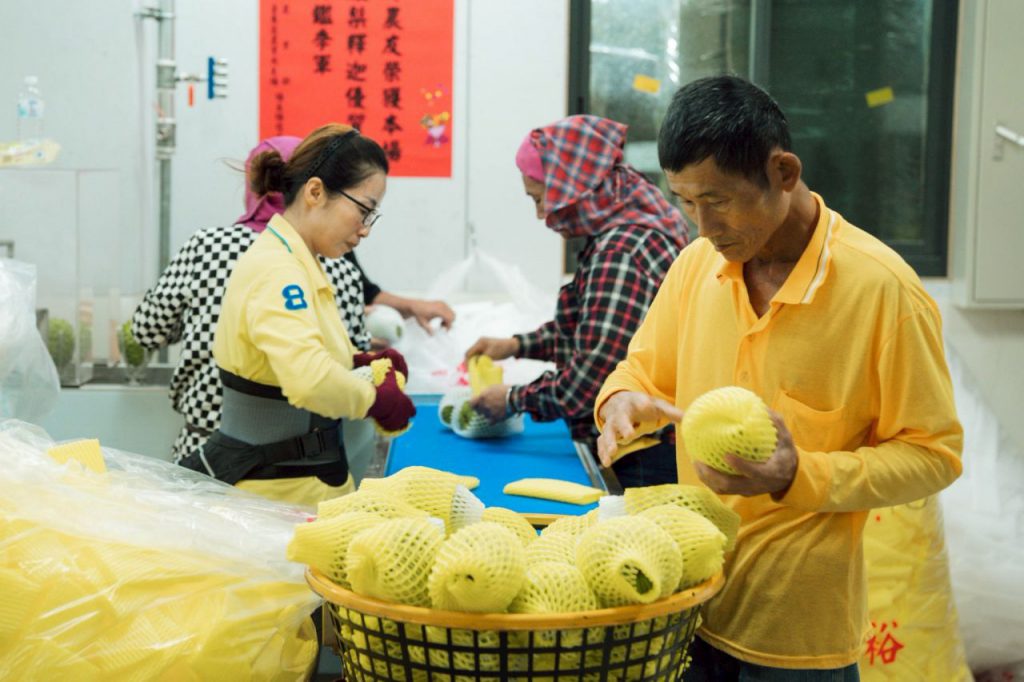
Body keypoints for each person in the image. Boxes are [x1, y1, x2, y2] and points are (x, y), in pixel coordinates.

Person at [594, 76, 963, 679]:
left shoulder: (883, 292)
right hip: (688, 600)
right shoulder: (695, 268)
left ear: (783, 172)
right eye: (686, 202)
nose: (702, 226)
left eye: (718, 199)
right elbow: (641, 370)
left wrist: (799, 473)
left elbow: (933, 455)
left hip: (795, 635)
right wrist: (620, 401)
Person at [175, 124, 415, 507]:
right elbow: (310, 380)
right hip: (272, 498)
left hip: (297, 487)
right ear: (316, 192)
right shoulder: (278, 270)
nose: (365, 230)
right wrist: (373, 399)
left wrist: (357, 359)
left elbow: (295, 353)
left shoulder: (301, 262)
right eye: (364, 211)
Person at [466, 115, 689, 487]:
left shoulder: (622, 251)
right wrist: (516, 345)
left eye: (540, 198)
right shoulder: (619, 233)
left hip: (645, 449)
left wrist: (512, 399)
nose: (541, 214)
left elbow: (593, 377)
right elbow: (590, 330)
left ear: (572, 186)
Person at [132, 136, 371, 463]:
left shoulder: (208, 247)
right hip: (304, 460)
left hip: (206, 450)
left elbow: (146, 332)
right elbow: (354, 364)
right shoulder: (338, 265)